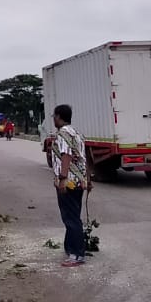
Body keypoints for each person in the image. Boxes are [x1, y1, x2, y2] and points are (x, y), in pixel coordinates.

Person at [50, 103, 92, 267]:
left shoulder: (63, 134)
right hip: (79, 181)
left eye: (54, 116)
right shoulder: (77, 132)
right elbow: (84, 157)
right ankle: (70, 248)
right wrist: (89, 179)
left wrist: (62, 179)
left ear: (59, 117)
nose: (53, 119)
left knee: (71, 218)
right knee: (72, 215)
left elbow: (66, 156)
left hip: (69, 182)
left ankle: (76, 255)